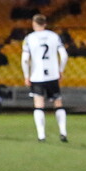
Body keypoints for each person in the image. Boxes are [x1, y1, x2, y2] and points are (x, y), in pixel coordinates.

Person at [22, 14, 68, 142]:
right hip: (53, 75)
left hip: (37, 76)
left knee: (39, 106)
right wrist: (60, 71)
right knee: (58, 104)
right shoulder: (54, 36)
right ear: (45, 23)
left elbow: (25, 60)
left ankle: (41, 135)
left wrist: (26, 75)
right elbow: (64, 56)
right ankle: (63, 132)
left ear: (33, 24)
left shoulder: (29, 38)